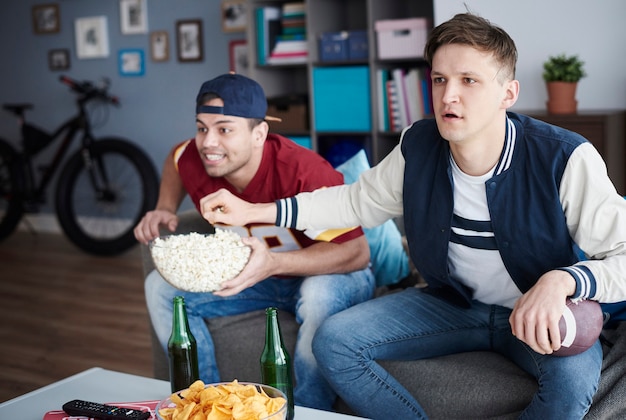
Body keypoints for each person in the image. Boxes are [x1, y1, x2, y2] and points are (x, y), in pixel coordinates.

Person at [198, 13, 626, 419]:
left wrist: (563, 280)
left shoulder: (564, 157)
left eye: (469, 81)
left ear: (508, 94)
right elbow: (352, 203)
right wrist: (256, 210)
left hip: (536, 316)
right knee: (334, 342)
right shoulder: (418, 146)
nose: (448, 96)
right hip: (454, 305)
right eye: (439, 79)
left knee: (572, 387)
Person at [133, 73, 375, 411]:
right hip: (257, 277)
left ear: (259, 133)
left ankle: (303, 411)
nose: (208, 143)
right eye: (202, 127)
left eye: (225, 129)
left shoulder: (305, 171)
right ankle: (203, 407)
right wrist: (163, 207)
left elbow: (356, 253)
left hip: (325, 271)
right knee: (161, 289)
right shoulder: (196, 157)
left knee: (318, 296)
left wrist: (274, 263)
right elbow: (176, 159)